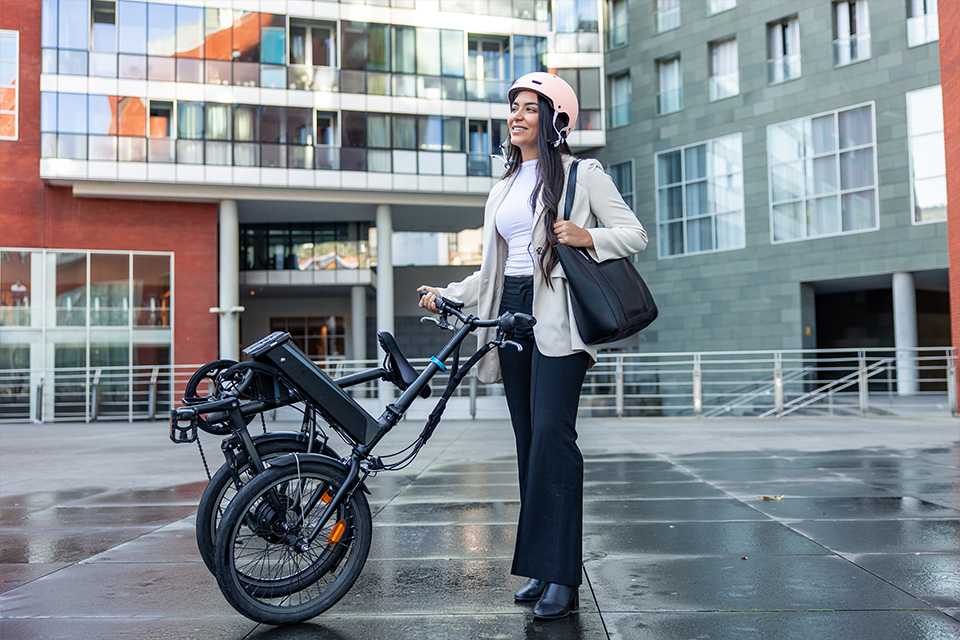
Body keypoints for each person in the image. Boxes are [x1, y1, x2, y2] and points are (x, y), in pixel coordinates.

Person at [417, 72, 648, 621]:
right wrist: (449, 293)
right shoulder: (503, 186)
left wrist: (587, 236)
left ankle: (564, 575)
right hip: (511, 311)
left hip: (559, 315)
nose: (516, 116)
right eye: (513, 107)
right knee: (528, 444)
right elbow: (494, 270)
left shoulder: (582, 174)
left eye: (529, 108)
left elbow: (634, 234)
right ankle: (542, 567)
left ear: (554, 119)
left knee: (552, 438)